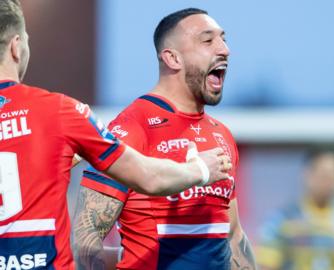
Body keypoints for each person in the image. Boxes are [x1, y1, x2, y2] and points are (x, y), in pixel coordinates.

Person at [0, 1, 231, 269]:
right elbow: (147, 176)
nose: (224, 49)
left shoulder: (219, 132)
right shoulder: (60, 111)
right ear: (17, 46)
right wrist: (201, 169)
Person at [73, 8, 257, 270]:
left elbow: (234, 235)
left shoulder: (222, 135)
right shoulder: (132, 127)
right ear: (172, 58)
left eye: (223, 39)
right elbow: (85, 241)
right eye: (208, 40)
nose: (224, 49)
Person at [256, 148, 334, 270]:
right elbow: (267, 265)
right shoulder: (281, 220)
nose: (329, 182)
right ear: (307, 174)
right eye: (324, 175)